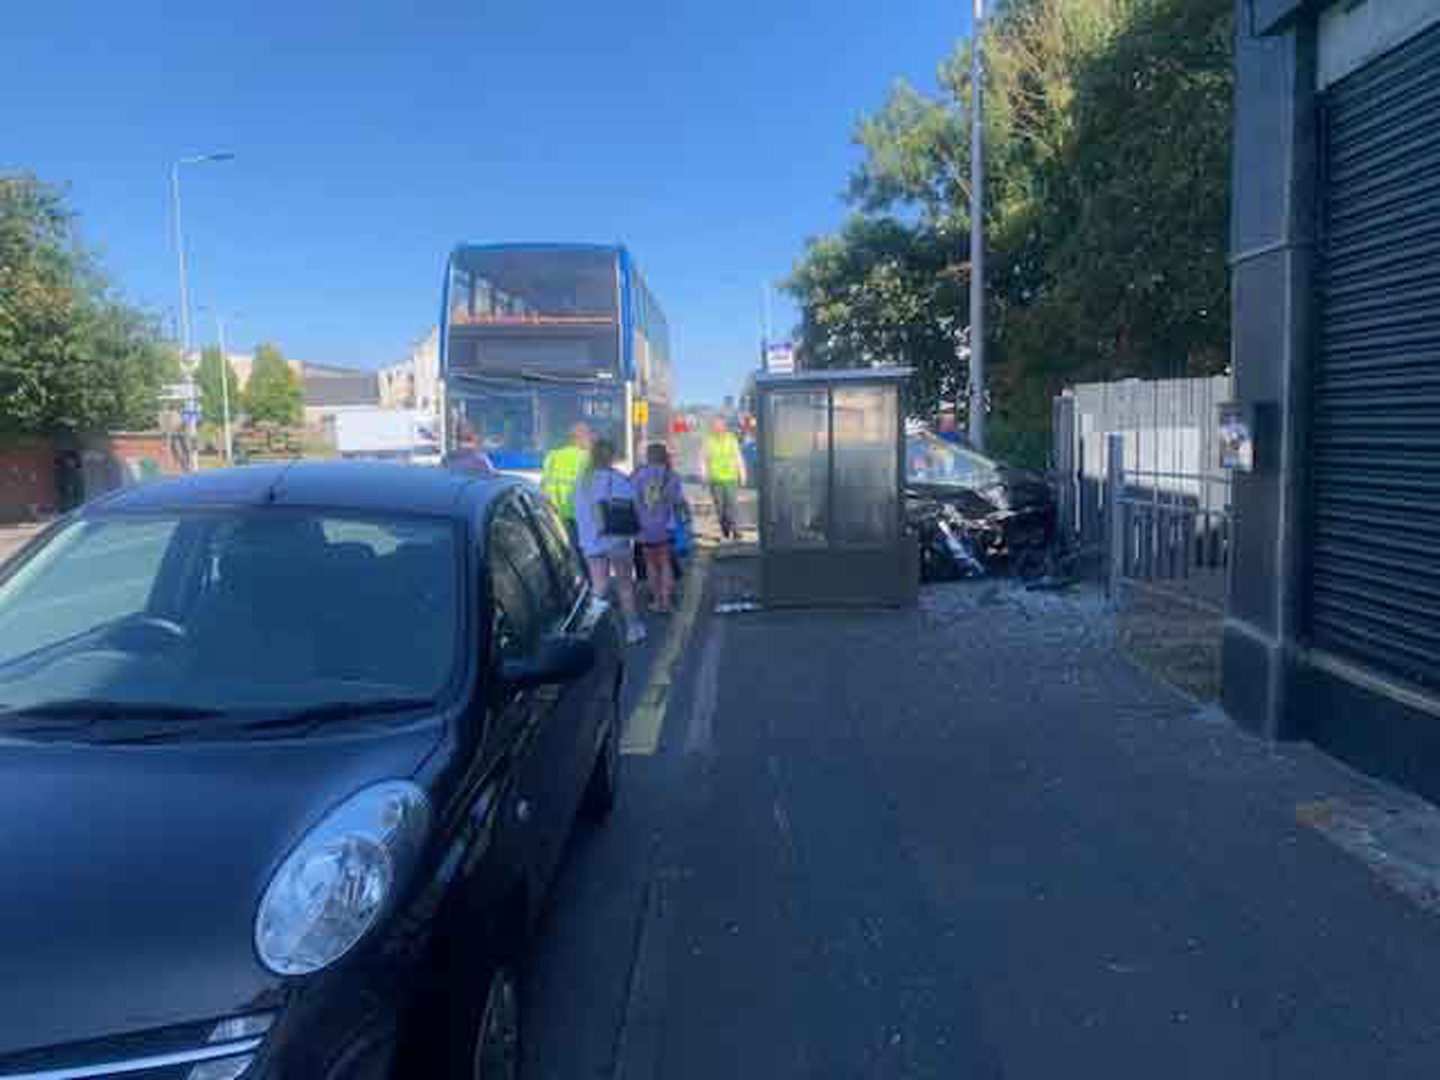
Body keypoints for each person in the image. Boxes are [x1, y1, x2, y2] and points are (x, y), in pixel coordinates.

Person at [574, 439, 646, 645]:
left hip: (592, 541)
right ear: (611, 457)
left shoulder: (582, 480)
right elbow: (635, 507)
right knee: (624, 585)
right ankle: (633, 628)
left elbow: (579, 512)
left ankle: (586, 629)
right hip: (617, 539)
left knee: (599, 586)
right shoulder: (619, 479)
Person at [632, 442, 687, 614]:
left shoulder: (639, 474)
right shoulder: (672, 475)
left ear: (648, 456)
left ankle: (656, 601)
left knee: (650, 564)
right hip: (666, 526)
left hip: (644, 527)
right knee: (665, 563)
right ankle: (667, 601)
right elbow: (678, 501)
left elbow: (632, 499)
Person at [541, 422, 593, 543]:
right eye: (589, 437)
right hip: (575, 517)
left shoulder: (553, 455)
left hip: (552, 515)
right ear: (581, 438)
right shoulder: (587, 457)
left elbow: (543, 485)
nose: (591, 441)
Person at [702, 417, 746, 540]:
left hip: (731, 478)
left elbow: (738, 457)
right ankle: (725, 528)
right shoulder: (708, 441)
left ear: (725, 426)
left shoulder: (731, 439)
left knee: (733, 505)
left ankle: (737, 530)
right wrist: (704, 476)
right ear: (713, 427)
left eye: (721, 425)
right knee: (720, 508)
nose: (718, 427)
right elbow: (703, 460)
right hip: (715, 480)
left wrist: (742, 474)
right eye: (716, 425)